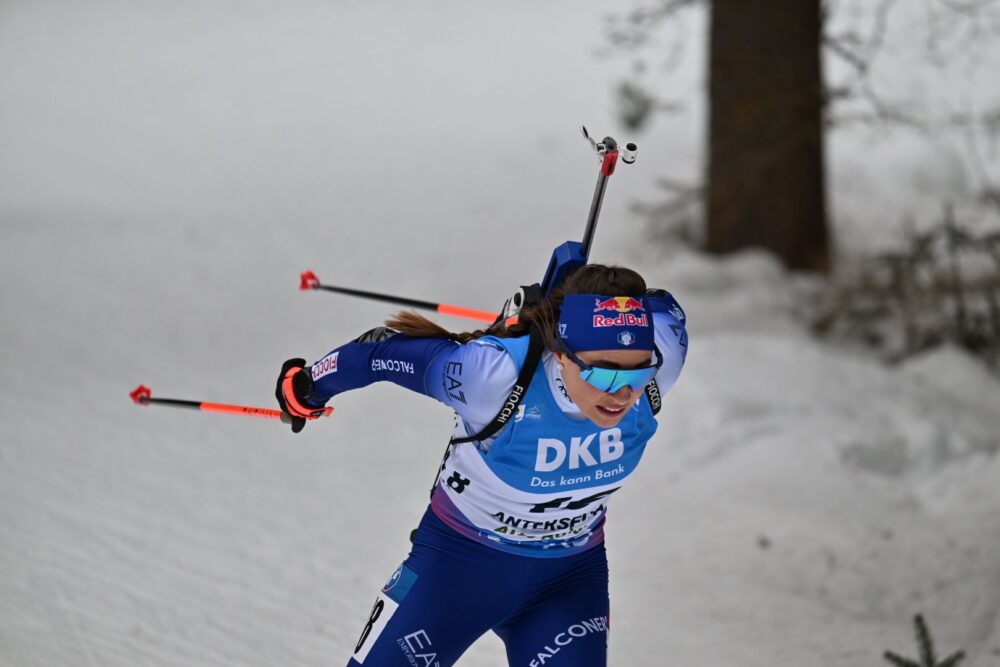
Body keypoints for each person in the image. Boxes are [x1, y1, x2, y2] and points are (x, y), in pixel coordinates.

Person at [275, 264, 688, 667]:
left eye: (638, 371)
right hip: (456, 572)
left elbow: (662, 307)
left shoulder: (664, 355)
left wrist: (575, 289)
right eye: (603, 374)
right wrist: (307, 387)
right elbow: (379, 354)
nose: (622, 392)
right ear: (561, 355)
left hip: (566, 583)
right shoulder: (492, 378)